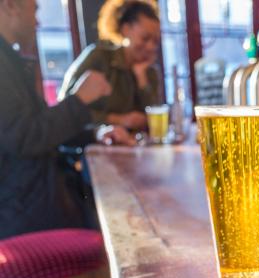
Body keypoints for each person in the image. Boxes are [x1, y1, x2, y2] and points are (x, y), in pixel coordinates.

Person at [0, 0, 135, 240]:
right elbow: (25, 137)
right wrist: (79, 100)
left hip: (33, 205)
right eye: (35, 10)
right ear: (11, 6)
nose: (38, 21)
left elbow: (40, 127)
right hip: (25, 220)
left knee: (119, 220)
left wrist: (96, 133)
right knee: (122, 229)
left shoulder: (9, 61)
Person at [59, 0, 161, 131]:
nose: (151, 47)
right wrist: (119, 120)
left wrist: (141, 78)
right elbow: (68, 110)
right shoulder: (99, 58)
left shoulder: (149, 71)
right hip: (95, 145)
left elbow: (156, 119)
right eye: (145, 38)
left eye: (155, 41)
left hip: (132, 147)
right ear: (125, 29)